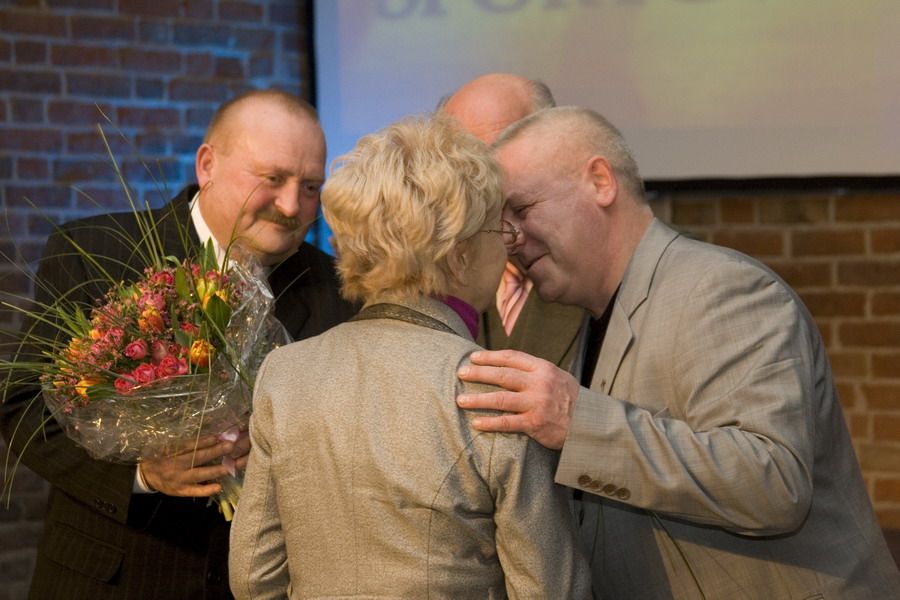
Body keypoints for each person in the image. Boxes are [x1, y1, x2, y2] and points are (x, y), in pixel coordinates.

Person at [456, 106, 900, 598]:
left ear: (601, 182)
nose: (512, 240)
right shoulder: (591, 319)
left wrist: (576, 422)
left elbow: (773, 483)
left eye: (522, 209)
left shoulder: (723, 289)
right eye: (503, 225)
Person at [0, 89, 357, 599]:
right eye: (273, 179)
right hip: (114, 580)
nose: (291, 206)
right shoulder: (96, 253)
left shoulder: (338, 289)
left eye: (310, 186)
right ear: (208, 164)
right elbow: (21, 406)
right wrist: (143, 474)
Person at [229, 115, 592, 599]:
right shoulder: (494, 391)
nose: (508, 245)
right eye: (496, 229)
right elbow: (552, 589)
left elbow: (253, 577)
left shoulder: (286, 373)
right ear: (458, 256)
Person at [440, 73, 585, 371]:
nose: (480, 174)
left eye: (495, 152)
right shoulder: (432, 274)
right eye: (463, 158)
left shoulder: (609, 266)